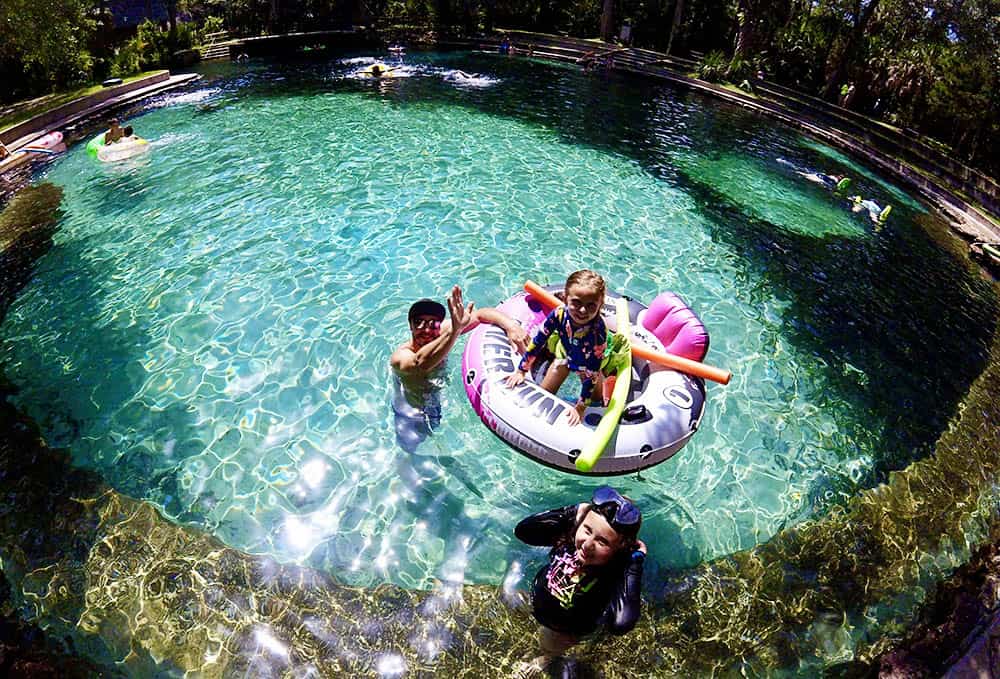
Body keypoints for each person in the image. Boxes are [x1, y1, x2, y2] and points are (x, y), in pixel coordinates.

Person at [514, 485, 646, 671]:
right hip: (539, 598)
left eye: (602, 542)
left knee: (551, 643)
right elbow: (523, 531)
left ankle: (547, 658)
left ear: (620, 549)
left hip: (564, 628)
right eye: (587, 530)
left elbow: (621, 624)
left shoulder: (613, 570)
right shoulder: (568, 536)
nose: (588, 544)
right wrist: (571, 513)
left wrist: (634, 565)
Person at [390, 286, 527, 452]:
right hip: (411, 413)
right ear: (410, 326)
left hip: (436, 399)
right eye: (418, 323)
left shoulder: (444, 331)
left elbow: (481, 314)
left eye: (432, 323)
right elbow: (420, 363)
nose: (426, 330)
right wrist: (456, 330)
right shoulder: (400, 356)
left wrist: (511, 326)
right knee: (410, 450)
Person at [504, 270, 610, 426]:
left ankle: (604, 388)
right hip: (565, 355)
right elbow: (538, 341)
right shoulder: (559, 315)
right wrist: (521, 370)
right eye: (576, 302)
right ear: (565, 298)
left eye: (591, 305)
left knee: (596, 400)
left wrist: (580, 407)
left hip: (590, 362)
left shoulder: (597, 332)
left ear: (600, 304)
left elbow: (592, 372)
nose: (582, 310)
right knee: (543, 395)